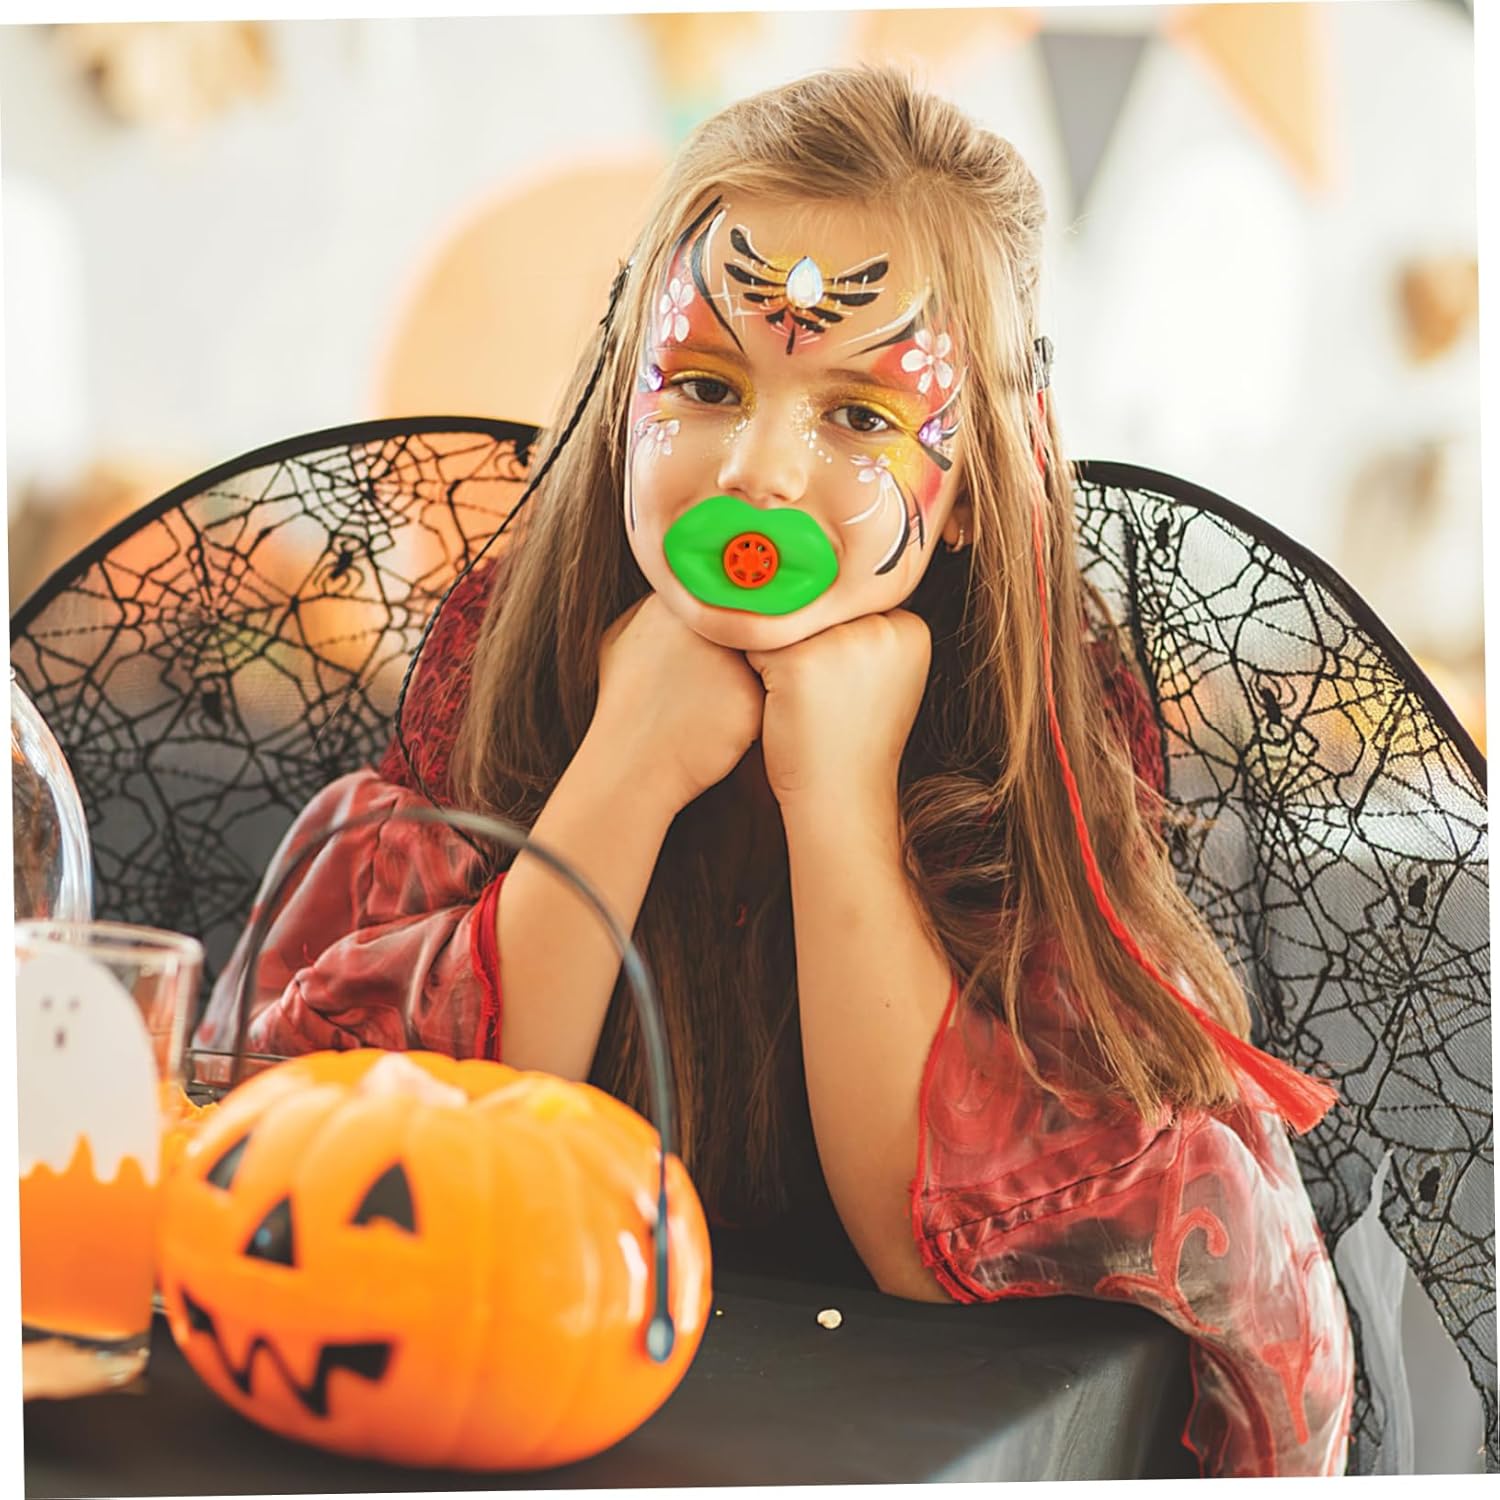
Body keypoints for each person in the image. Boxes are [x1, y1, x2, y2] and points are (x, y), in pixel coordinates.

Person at [194, 66, 1354, 1477]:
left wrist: (841, 796)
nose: (757, 469)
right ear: (623, 398)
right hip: (518, 1389)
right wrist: (626, 765)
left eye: (860, 415)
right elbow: (406, 1175)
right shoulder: (512, 665)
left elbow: (930, 1250)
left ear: (973, 486)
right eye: (704, 384)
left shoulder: (1031, 743)